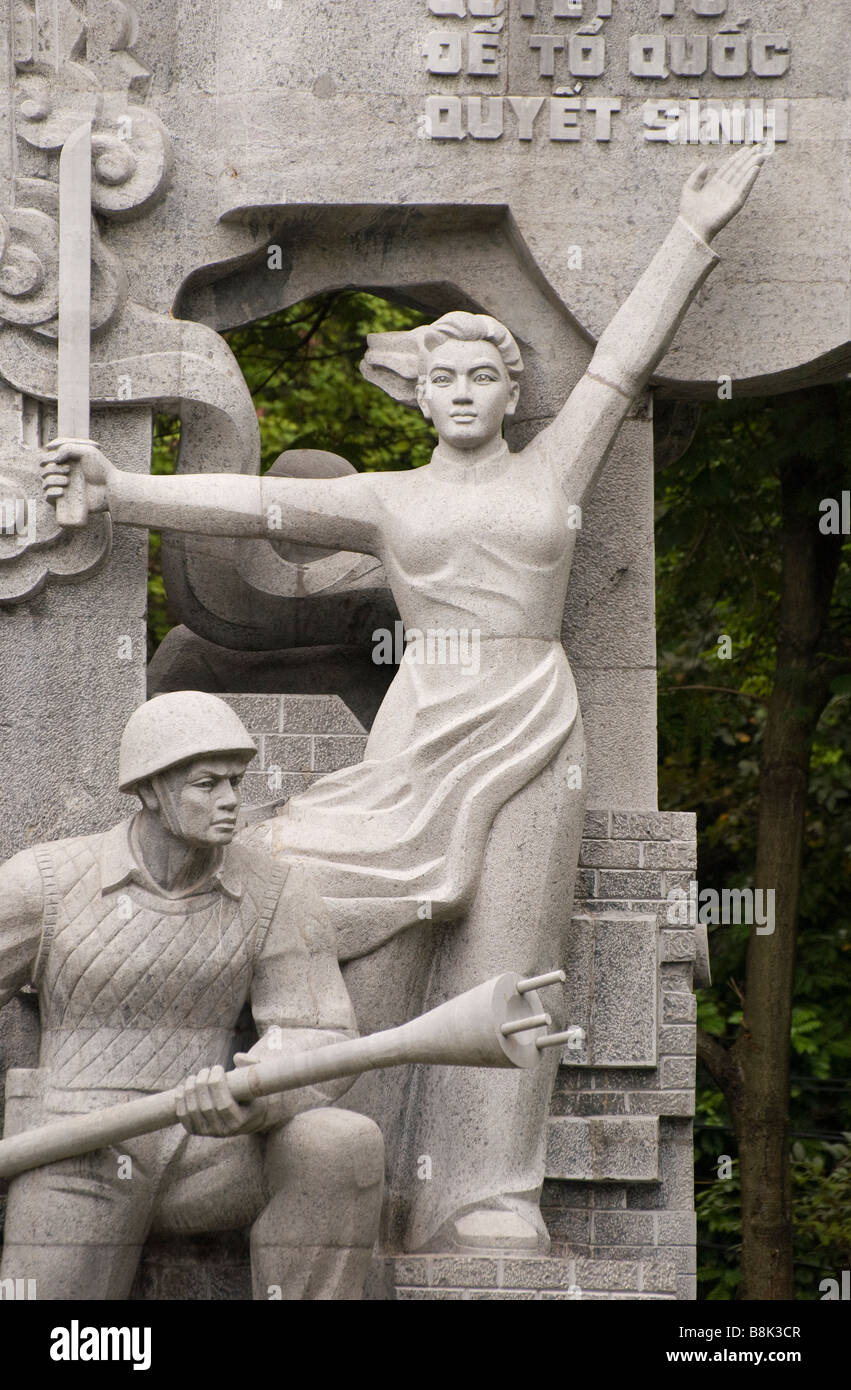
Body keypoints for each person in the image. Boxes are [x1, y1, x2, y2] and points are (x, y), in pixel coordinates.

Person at [41, 148, 768, 1254]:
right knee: (322, 896)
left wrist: (692, 231)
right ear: (418, 393)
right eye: (443, 379)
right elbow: (249, 506)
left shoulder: (549, 471)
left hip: (530, 719)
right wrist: (122, 487)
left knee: (512, 950)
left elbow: (621, 362)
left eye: (482, 377)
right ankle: (351, 1174)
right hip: (422, 723)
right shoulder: (387, 498)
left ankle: (485, 1200)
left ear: (512, 392)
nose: (464, 392)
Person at [0, 692, 383, 1300]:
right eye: (207, 783)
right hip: (78, 1147)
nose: (231, 799)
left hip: (212, 1146)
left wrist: (258, 1091)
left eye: (236, 780)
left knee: (340, 1143)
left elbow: (320, 1030)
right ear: (149, 790)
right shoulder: (44, 884)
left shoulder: (278, 891)